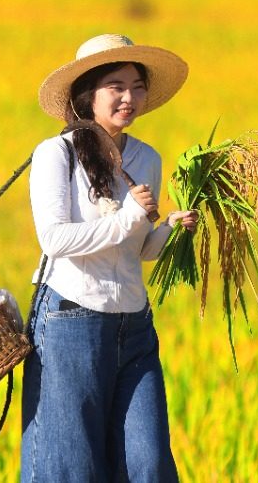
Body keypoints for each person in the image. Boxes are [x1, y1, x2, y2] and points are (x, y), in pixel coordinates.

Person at [22, 34, 197, 482]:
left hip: (134, 326)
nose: (129, 97)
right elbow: (55, 239)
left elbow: (138, 250)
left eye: (137, 86)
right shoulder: (55, 155)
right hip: (70, 322)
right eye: (116, 86)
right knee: (71, 470)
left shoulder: (147, 157)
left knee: (150, 464)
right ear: (88, 95)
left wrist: (171, 231)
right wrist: (130, 215)